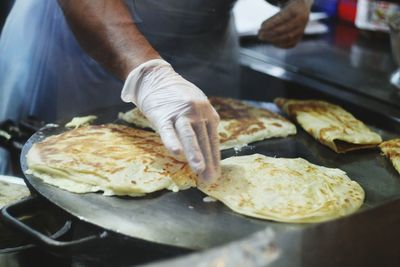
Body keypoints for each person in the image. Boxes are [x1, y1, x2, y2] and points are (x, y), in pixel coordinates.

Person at [0, 0, 312, 179]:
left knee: (203, 175)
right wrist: (149, 75)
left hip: (201, 46)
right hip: (88, 43)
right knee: (72, 179)